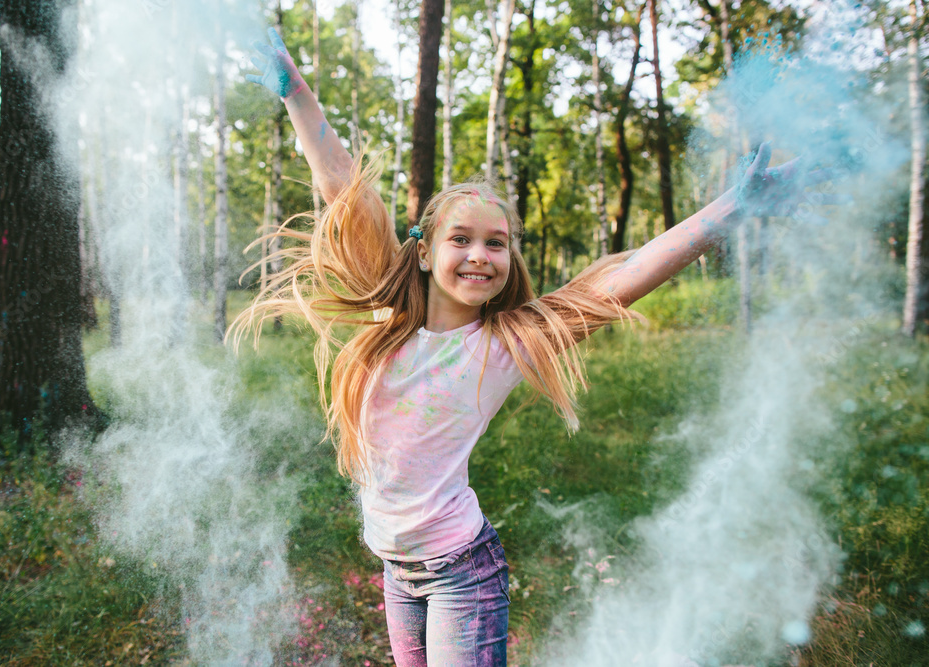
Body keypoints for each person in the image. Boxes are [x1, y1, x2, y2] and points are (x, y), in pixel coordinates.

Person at [234, 28, 832, 667]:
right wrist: (296, 92)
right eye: (461, 238)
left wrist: (729, 210)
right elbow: (341, 183)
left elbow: (621, 281)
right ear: (426, 250)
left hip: (462, 572)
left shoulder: (502, 346)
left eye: (497, 242)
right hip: (395, 570)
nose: (480, 254)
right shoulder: (389, 317)